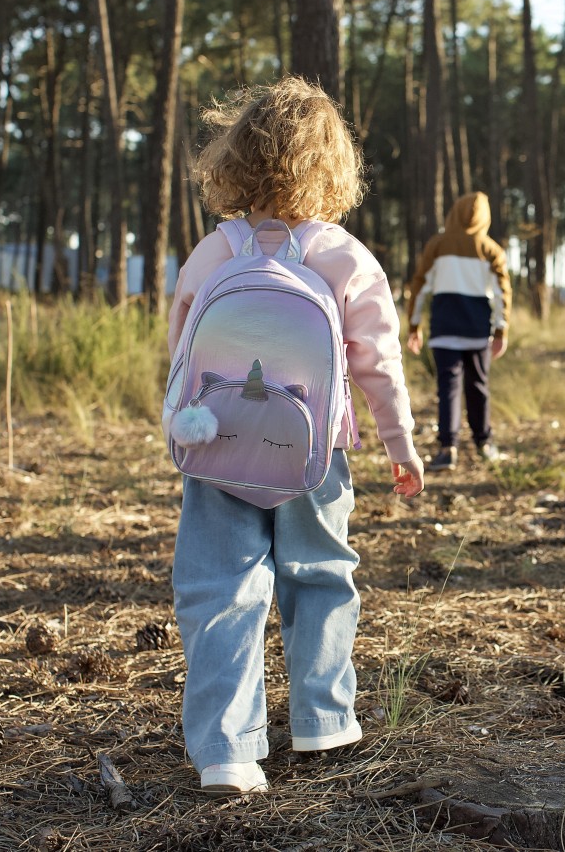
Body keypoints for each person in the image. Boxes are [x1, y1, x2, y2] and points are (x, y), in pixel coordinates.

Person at [166, 77, 424, 794]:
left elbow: (182, 356)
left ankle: (226, 751)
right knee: (319, 578)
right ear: (332, 167)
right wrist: (399, 445)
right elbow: (377, 361)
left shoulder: (213, 253)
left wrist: (182, 431)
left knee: (219, 590)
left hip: (217, 449)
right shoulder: (343, 255)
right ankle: (323, 721)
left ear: (234, 161)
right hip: (315, 455)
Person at [405, 192, 512, 471]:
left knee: (448, 389)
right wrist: (501, 330)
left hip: (444, 331)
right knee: (478, 387)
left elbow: (419, 286)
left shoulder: (437, 245)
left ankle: (447, 449)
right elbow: (503, 294)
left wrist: (414, 326)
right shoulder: (490, 250)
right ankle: (484, 444)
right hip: (477, 332)